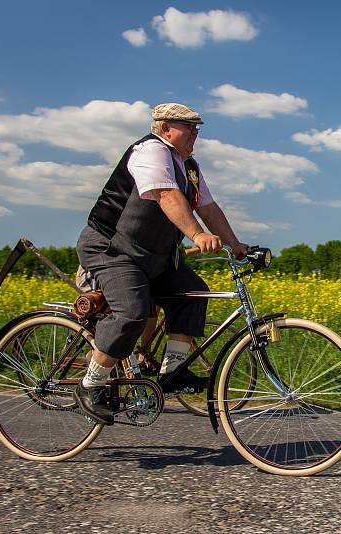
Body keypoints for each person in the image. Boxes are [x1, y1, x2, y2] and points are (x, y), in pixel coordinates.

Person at [73, 103, 246, 425]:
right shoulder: (149, 151)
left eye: (198, 127)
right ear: (165, 128)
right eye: (189, 126)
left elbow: (207, 207)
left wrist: (236, 245)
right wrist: (196, 234)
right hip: (113, 249)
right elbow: (166, 195)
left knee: (194, 294)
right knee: (132, 313)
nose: (196, 132)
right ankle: (91, 384)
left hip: (155, 256)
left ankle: (172, 373)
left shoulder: (189, 165)